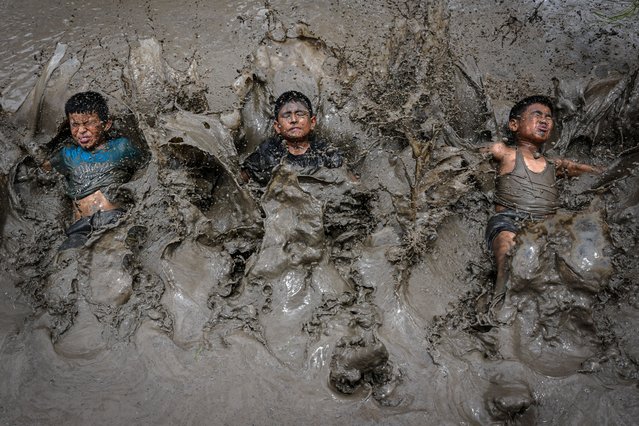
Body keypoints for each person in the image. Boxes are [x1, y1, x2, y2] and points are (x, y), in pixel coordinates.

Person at [483, 95, 603, 300]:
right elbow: (468, 156)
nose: (545, 120)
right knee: (508, 252)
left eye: (548, 117)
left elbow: (595, 173)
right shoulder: (504, 152)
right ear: (514, 124)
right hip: (508, 221)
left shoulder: (554, 164)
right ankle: (499, 303)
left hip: (546, 227)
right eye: (536, 115)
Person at [43, 91, 145, 250]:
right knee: (65, 256)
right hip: (80, 228)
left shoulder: (122, 147)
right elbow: (42, 168)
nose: (81, 130)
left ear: (106, 124)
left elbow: (150, 164)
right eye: (75, 125)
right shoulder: (67, 155)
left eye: (88, 123)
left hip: (113, 218)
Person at [241, 91, 343, 186]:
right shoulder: (266, 154)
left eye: (300, 114)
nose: (294, 120)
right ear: (277, 126)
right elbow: (236, 183)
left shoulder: (326, 153)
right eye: (286, 115)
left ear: (312, 122)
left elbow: (350, 185)